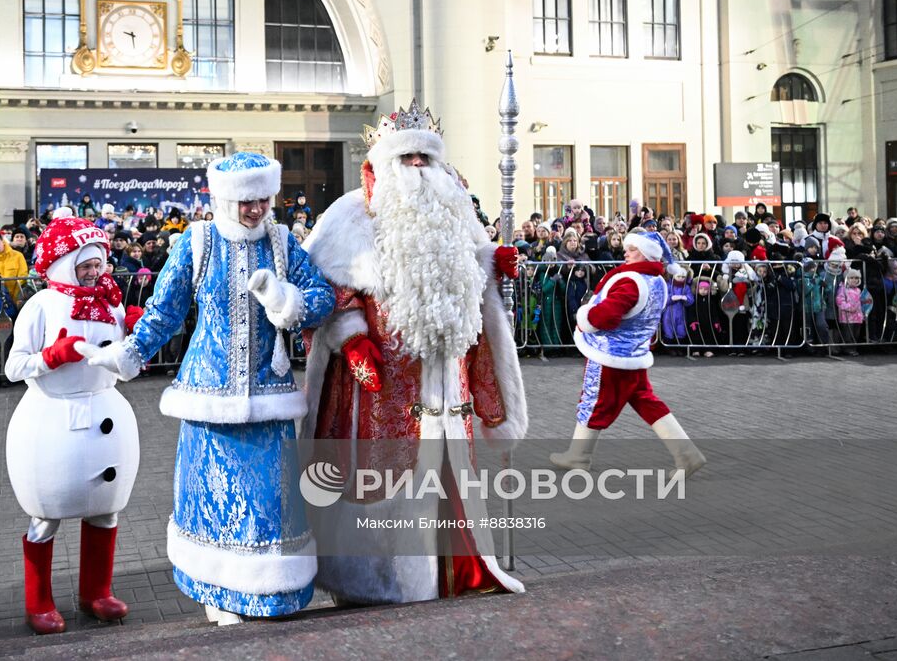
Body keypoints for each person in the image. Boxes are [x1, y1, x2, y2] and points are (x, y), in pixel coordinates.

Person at [83, 152, 335, 624]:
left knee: (269, 506)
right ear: (223, 198)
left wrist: (288, 300)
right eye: (247, 201)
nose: (257, 209)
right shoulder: (196, 243)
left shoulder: (282, 244)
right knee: (214, 502)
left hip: (268, 397)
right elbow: (165, 310)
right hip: (208, 397)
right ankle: (219, 595)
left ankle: (270, 593)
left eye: (263, 199)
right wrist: (131, 353)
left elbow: (322, 297)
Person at [299, 101, 527, 605]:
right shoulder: (347, 214)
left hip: (447, 380)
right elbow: (324, 286)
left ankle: (457, 570)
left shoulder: (456, 205)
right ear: (383, 161)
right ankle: (376, 581)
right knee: (382, 476)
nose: (419, 166)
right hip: (379, 384)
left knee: (447, 472)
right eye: (408, 157)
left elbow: (466, 264)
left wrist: (492, 260)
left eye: (426, 157)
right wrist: (352, 336)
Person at [3, 219, 145, 634]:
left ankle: (96, 591)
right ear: (64, 263)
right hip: (54, 421)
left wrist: (135, 340)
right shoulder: (42, 304)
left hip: (105, 415)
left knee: (106, 511)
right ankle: (39, 602)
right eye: (84, 265)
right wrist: (52, 357)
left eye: (98, 263)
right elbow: (14, 367)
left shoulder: (111, 303)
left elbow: (126, 368)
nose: (94, 272)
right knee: (46, 515)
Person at [548, 229, 706, 476]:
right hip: (635, 354)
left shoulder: (631, 281)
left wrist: (585, 317)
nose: (626, 252)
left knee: (594, 402)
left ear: (646, 253)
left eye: (632, 249)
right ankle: (687, 455)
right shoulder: (656, 281)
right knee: (647, 402)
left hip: (611, 355)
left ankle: (579, 456)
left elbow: (608, 315)